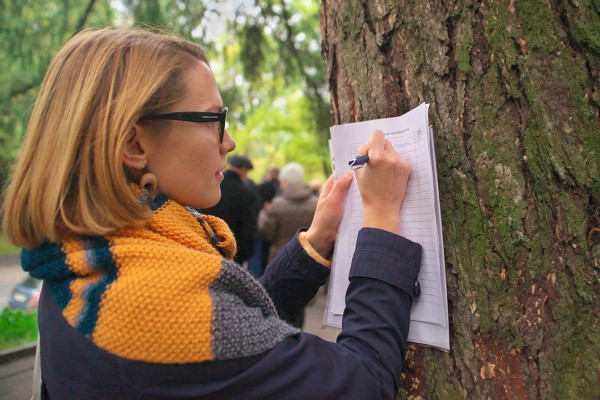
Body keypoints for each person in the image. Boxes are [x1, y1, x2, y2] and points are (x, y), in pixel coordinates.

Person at [1, 28, 421, 399]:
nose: (231, 142)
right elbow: (363, 383)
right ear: (134, 144)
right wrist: (381, 218)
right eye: (213, 120)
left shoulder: (91, 262)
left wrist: (314, 242)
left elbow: (228, 333)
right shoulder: (145, 310)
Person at [257, 162, 318, 328]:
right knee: (300, 303)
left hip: (280, 260)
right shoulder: (316, 203)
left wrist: (264, 212)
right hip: (309, 259)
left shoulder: (277, 204)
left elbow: (266, 232)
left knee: (279, 306)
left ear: (285, 181)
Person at [202, 154, 258, 264]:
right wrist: (245, 253)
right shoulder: (245, 194)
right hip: (232, 251)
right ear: (243, 170)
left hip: (205, 244)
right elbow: (248, 228)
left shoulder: (211, 186)